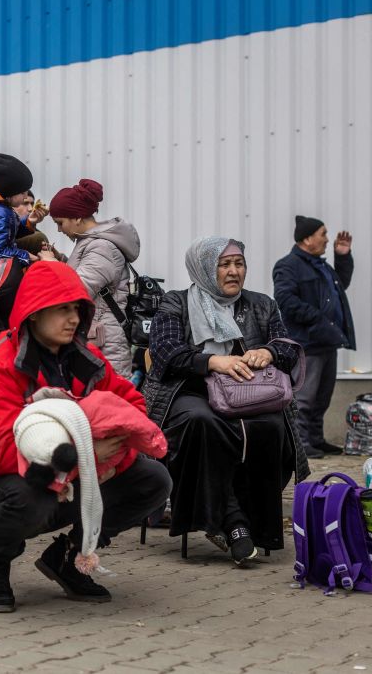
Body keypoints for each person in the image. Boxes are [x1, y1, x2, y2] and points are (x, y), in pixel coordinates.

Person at [0, 261, 172, 612]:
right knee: (31, 496)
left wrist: (113, 453)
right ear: (33, 313)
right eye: (62, 309)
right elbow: (5, 455)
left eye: (78, 309)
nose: (74, 319)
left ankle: (66, 558)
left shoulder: (85, 357)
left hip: (73, 468)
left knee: (153, 480)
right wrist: (91, 452)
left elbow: (131, 406)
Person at [142, 237, 310, 565]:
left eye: (239, 264)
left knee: (271, 426)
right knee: (201, 422)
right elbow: (163, 351)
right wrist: (212, 362)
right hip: (189, 393)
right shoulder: (175, 303)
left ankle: (253, 526)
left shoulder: (262, 304)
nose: (234, 272)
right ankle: (233, 523)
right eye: (224, 264)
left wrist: (270, 351)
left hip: (249, 397)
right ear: (205, 269)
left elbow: (288, 346)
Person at [272, 216, 355, 458]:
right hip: (306, 343)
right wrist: (317, 319)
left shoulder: (320, 265)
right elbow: (285, 300)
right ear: (307, 238)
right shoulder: (287, 265)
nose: (327, 239)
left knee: (322, 397)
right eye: (323, 234)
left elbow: (340, 285)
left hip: (326, 341)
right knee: (305, 397)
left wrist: (342, 257)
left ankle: (316, 440)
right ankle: (301, 443)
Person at [50, 179, 140, 377]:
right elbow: (89, 274)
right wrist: (60, 258)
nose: (59, 230)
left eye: (60, 223)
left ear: (77, 218)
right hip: (99, 337)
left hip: (105, 343)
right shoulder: (93, 243)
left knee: (108, 400)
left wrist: (51, 265)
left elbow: (77, 288)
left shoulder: (102, 247)